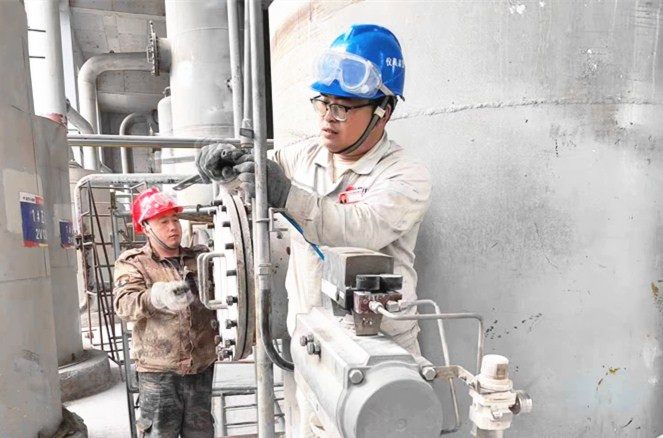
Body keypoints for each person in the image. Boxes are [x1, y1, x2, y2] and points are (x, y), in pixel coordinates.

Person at [196, 24, 431, 438]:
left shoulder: (405, 175)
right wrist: (228, 170)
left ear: (384, 110)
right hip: (311, 341)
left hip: (376, 349)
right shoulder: (303, 156)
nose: (327, 118)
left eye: (343, 108)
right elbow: (254, 183)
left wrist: (287, 194)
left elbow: (360, 229)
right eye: (322, 103)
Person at [113, 187, 217, 438]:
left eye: (175, 219)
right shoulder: (134, 262)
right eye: (163, 221)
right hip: (159, 373)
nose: (173, 227)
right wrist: (156, 296)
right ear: (145, 227)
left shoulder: (200, 258)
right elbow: (124, 305)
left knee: (201, 434)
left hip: (200, 367)